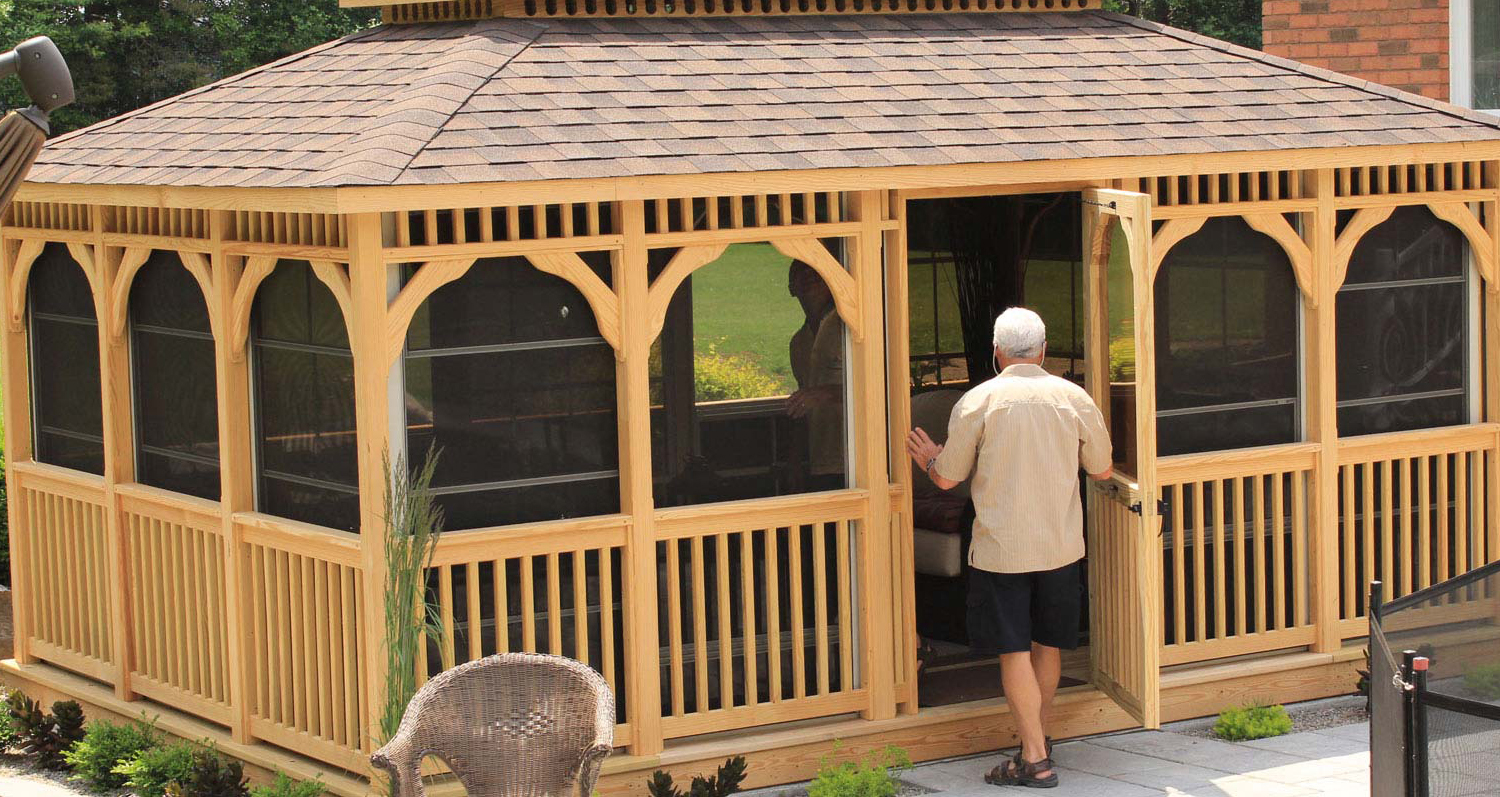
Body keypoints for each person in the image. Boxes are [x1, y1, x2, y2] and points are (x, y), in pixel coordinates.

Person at [905, 307, 1112, 790]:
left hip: (1002, 549)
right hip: (1061, 547)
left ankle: (1035, 757)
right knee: (1048, 644)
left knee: (1014, 649)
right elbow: (1101, 470)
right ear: (1043, 350)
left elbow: (948, 478)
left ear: (996, 352)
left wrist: (928, 459)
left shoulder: (978, 402)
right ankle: (1035, 743)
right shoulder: (1074, 398)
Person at [787, 259, 845, 491]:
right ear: (791, 287)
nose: (809, 275)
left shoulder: (848, 327)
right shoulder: (797, 343)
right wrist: (794, 462)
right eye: (800, 271)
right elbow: (802, 405)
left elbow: (875, 388)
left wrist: (826, 394)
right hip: (818, 462)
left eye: (815, 270)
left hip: (854, 458)